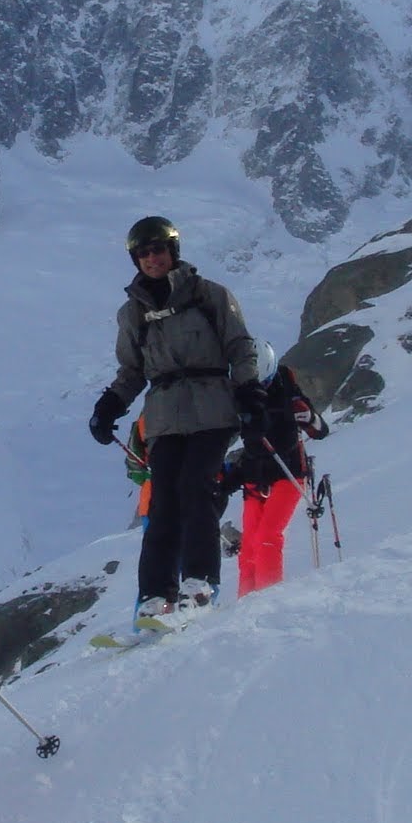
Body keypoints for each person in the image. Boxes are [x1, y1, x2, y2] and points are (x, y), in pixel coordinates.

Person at [88, 216, 260, 619]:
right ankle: (154, 597)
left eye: (158, 250)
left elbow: (239, 345)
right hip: (164, 417)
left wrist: (249, 390)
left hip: (212, 408)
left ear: (173, 251)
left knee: (195, 487)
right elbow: (132, 371)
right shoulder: (132, 314)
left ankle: (200, 582)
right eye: (143, 253)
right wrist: (110, 405)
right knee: (162, 502)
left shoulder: (209, 296)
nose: (152, 259)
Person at [220, 340, 330, 596]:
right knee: (248, 546)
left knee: (268, 536)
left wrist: (311, 418)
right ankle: (245, 602)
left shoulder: (287, 391)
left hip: (287, 474)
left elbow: (319, 429)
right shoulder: (240, 395)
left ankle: (267, 598)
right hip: (255, 476)